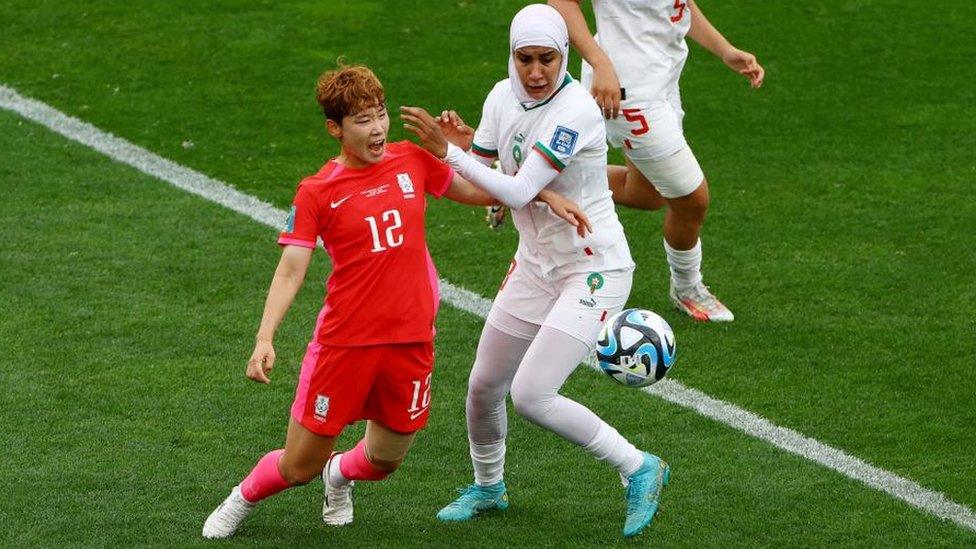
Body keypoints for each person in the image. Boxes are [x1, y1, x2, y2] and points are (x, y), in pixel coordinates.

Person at [201, 63, 588, 539]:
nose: (378, 128)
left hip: (409, 343)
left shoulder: (412, 160)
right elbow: (291, 268)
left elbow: (480, 189)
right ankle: (241, 498)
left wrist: (543, 194)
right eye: (362, 120)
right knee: (299, 466)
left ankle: (339, 475)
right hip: (345, 345)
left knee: (385, 460)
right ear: (335, 129)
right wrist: (265, 337)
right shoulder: (316, 192)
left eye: (380, 114)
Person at [401, 4, 669, 538]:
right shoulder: (503, 96)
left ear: (564, 55)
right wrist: (465, 154)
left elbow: (517, 187)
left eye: (547, 58)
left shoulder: (578, 111)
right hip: (535, 265)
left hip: (594, 269)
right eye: (525, 59)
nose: (536, 71)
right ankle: (488, 488)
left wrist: (448, 156)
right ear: (512, 55)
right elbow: (489, 185)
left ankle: (639, 467)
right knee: (482, 387)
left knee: (532, 395)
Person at [549, 0, 766, 322]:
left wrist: (724, 49)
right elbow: (561, 2)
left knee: (645, 194)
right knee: (692, 199)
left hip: (662, 76)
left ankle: (536, 180)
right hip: (626, 88)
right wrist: (600, 62)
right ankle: (687, 287)